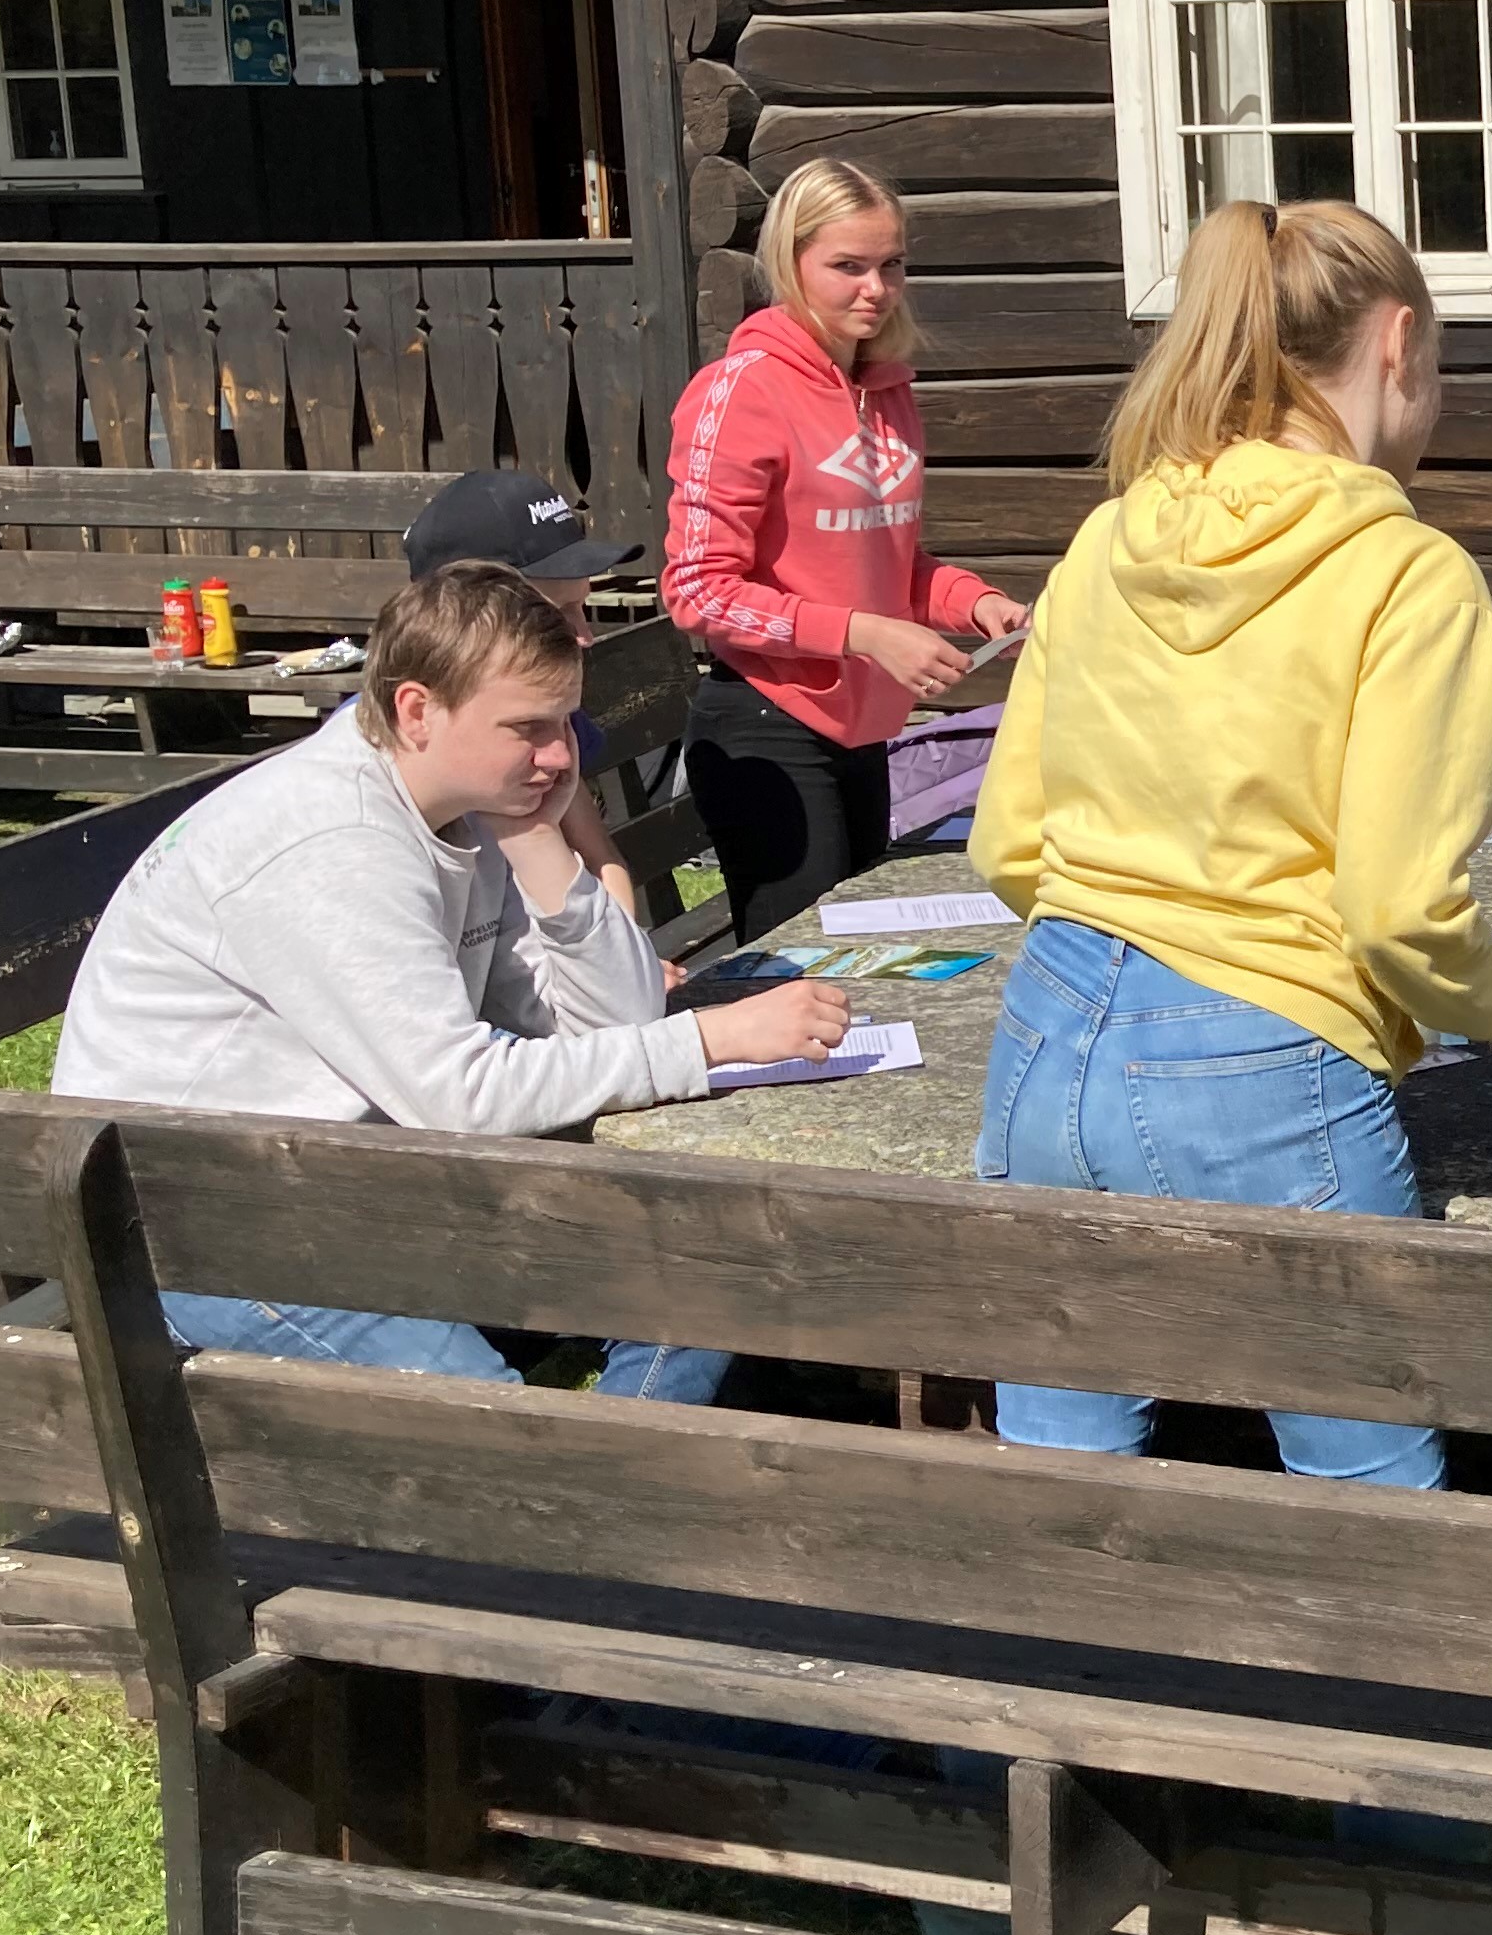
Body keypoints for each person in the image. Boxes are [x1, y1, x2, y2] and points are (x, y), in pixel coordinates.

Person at [950, 196, 1492, 1935]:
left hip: (1051, 1035)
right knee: (1380, 1549)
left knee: (1067, 1520)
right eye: (1437, 361)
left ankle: (1039, 1931)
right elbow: (1397, 904)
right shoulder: (1407, 575)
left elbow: (1005, 839)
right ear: (1389, 349)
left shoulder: (1106, 539)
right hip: (1270, 1054)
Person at [50, 561, 850, 1388]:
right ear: (417, 710)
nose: (557, 757)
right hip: (205, 1222)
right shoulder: (334, 845)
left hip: (351, 1182)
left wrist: (543, 846)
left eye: (566, 724)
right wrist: (708, 1041)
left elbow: (614, 1025)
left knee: (703, 1271)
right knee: (485, 1435)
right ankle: (605, 1493)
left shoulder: (462, 803)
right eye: (527, 729)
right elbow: (461, 1098)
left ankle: (624, 1476)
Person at [664, 158, 1028, 939]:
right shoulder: (742, 388)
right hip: (767, 725)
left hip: (865, 730)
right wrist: (863, 633)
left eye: (892, 265)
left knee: (875, 963)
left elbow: (885, 560)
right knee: (812, 976)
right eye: (847, 267)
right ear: (789, 264)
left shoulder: (888, 389)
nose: (876, 288)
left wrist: (979, 603)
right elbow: (696, 590)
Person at [402, 465, 645, 925]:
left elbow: (601, 858)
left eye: (583, 608)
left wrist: (628, 960)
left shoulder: (548, 722)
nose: (584, 636)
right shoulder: (398, 756)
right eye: (558, 614)